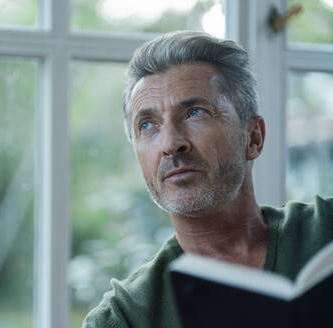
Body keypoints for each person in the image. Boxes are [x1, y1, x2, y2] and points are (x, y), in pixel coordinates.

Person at [81, 30, 333, 328]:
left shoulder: (326, 231)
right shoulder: (123, 318)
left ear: (253, 138)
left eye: (194, 112)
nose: (170, 144)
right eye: (147, 125)